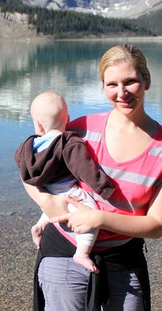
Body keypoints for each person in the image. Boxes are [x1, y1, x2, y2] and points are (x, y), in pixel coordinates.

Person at [22, 44, 162, 311]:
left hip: (121, 262)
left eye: (130, 82)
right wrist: (52, 203)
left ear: (147, 81)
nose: (122, 92)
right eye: (112, 84)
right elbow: (29, 175)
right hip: (62, 255)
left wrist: (99, 217)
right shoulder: (80, 129)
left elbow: (156, 225)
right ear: (102, 87)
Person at [14, 90, 116, 273]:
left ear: (38, 126)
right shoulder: (68, 142)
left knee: (53, 206)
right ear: (67, 119)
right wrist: (104, 188)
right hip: (68, 193)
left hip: (45, 192)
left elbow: (19, 162)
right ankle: (82, 253)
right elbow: (83, 167)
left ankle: (40, 226)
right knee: (90, 212)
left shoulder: (28, 147)